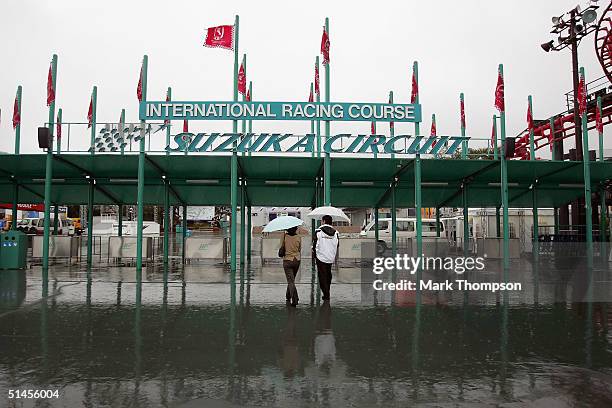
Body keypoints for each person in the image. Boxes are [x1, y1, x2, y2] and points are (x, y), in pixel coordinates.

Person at [312, 215, 339, 301]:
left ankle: (326, 294)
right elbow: (337, 245)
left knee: (322, 276)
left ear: (323, 221)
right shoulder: (336, 233)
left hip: (321, 257)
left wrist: (315, 255)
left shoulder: (318, 232)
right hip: (331, 257)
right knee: (328, 274)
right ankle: (327, 291)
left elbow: (315, 245)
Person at [281, 226, 301, 306]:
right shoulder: (299, 237)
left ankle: (295, 299)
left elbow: (281, 247)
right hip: (296, 260)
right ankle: (288, 296)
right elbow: (299, 249)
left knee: (290, 281)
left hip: (287, 260)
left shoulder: (285, 236)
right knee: (291, 280)